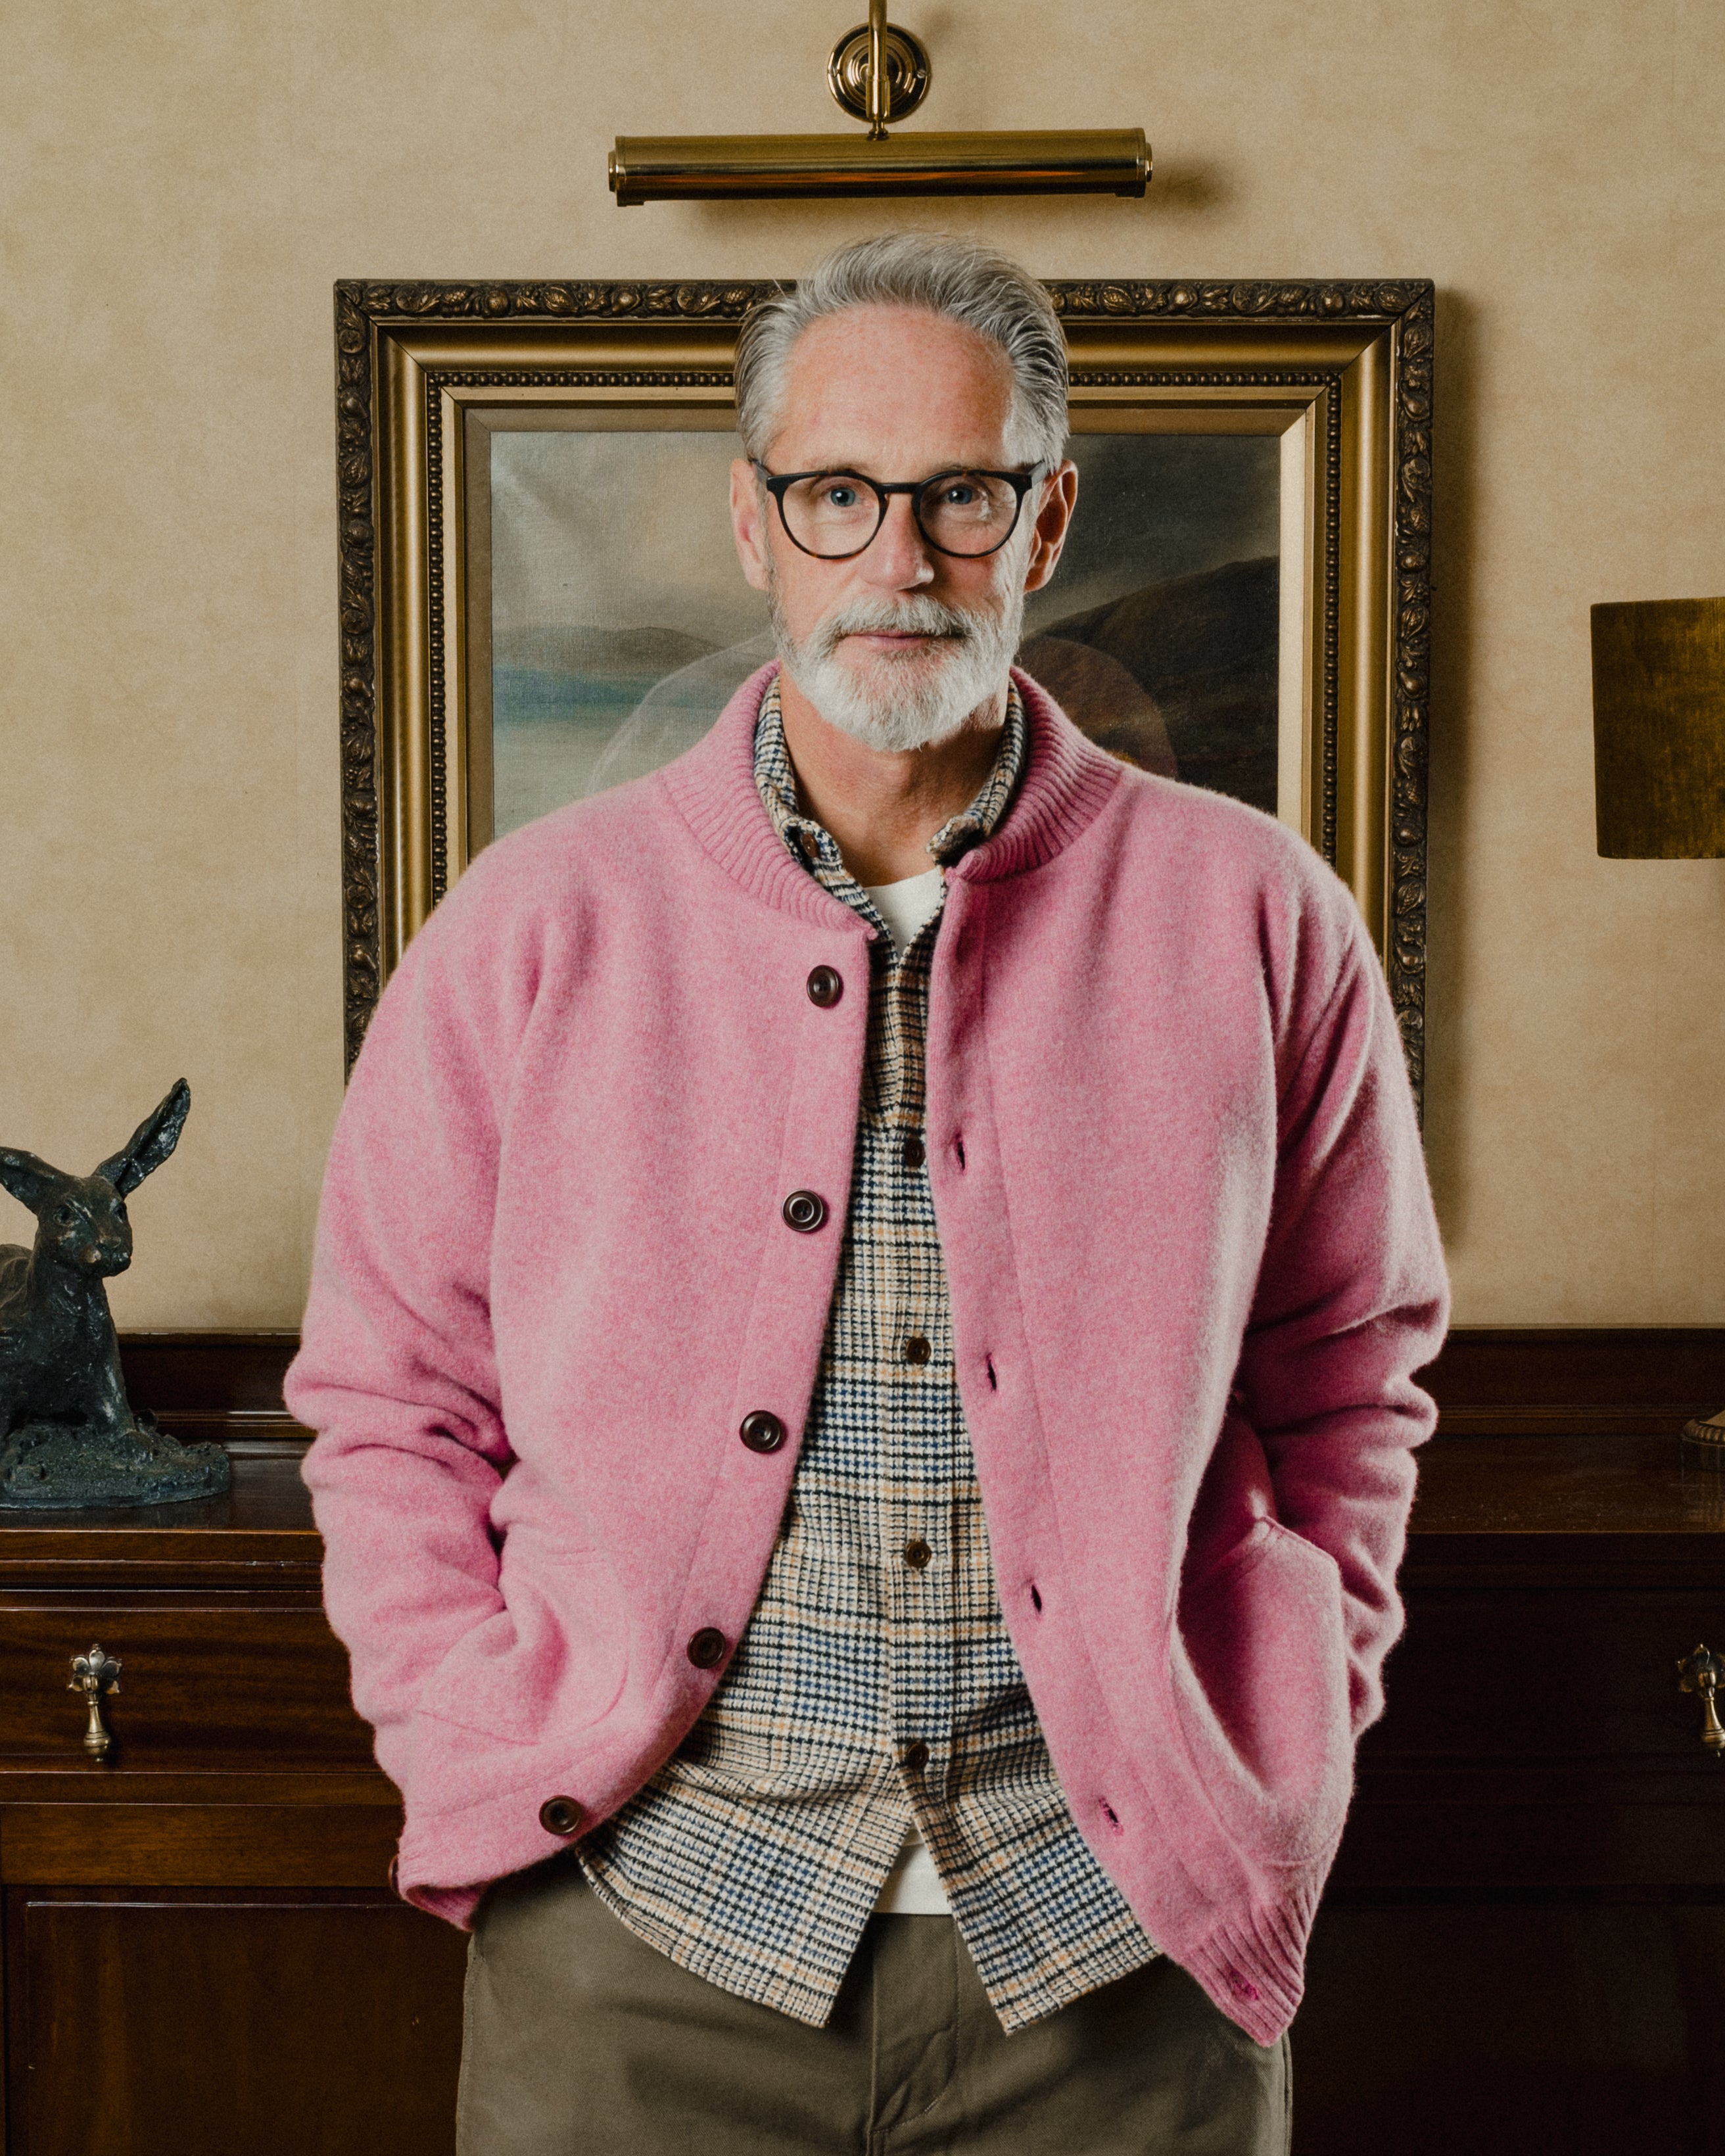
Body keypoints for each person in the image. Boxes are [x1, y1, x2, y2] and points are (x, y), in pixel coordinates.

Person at [286, 233, 1449, 2155]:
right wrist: (466, 1725)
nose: (898, 561)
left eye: (962, 496)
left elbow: (1353, 1380)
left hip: (1123, 1961)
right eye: (838, 494)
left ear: (1047, 518)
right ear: (756, 524)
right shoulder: (528, 928)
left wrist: (1289, 1713)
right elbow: (387, 1397)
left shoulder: (1259, 916)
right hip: (635, 1958)